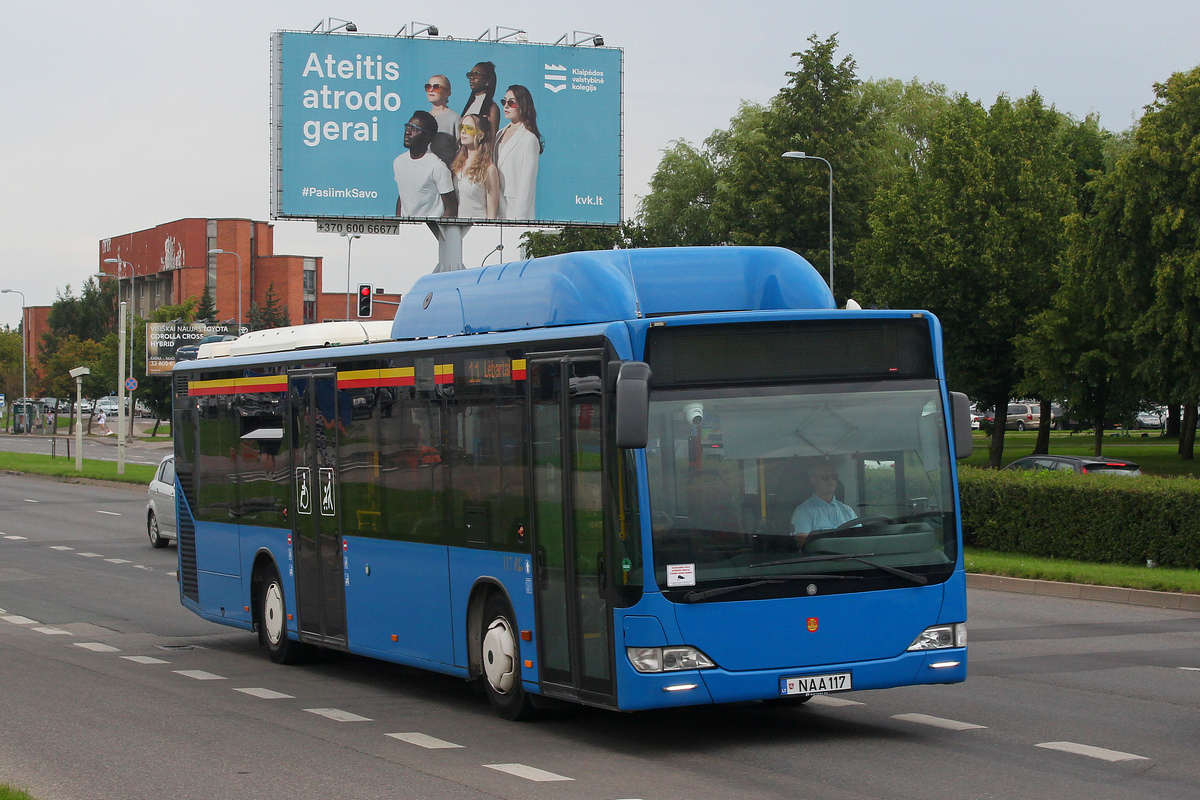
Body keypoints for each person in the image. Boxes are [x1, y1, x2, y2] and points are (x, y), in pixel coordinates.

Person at [393, 111, 458, 219]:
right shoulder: (399, 162)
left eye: (414, 129)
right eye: (408, 126)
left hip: (430, 227)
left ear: (428, 136)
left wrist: (435, 228)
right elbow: (403, 197)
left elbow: (451, 207)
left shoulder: (437, 166)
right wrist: (400, 222)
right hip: (406, 227)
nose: (408, 132)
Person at [494, 85, 543, 220]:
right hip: (497, 208)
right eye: (504, 102)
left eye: (512, 103)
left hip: (515, 210)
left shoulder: (529, 139)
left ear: (523, 105)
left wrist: (518, 220)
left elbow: (527, 185)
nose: (506, 106)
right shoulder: (499, 134)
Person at [791, 462, 855, 544]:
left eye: (834, 477)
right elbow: (803, 542)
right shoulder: (803, 511)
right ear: (813, 480)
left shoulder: (847, 510)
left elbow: (859, 537)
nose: (830, 480)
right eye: (826, 477)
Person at [451, 115, 500, 219]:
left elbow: (492, 213)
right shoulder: (458, 164)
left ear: (481, 135)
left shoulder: (489, 169)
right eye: (462, 127)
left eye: (469, 128)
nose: (463, 132)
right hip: (458, 224)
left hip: (478, 224)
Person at [425, 74, 460, 168]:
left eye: (436, 87)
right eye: (428, 87)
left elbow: (461, 150)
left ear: (447, 93)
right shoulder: (423, 119)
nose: (431, 90)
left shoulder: (454, 119)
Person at [461, 62, 501, 144]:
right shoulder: (471, 103)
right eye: (470, 75)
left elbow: (492, 139)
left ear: (488, 80)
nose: (471, 78)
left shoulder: (492, 108)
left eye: (476, 75)